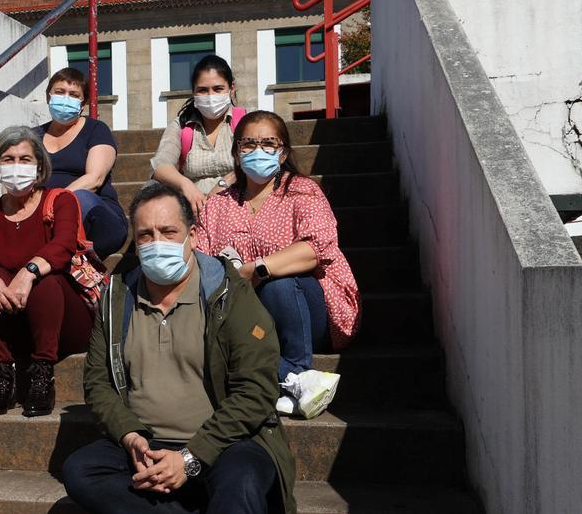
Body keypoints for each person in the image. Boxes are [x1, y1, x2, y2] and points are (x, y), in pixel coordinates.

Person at [63, 183, 297, 514]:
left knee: (242, 482)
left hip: (223, 442)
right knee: (81, 471)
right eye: (145, 235)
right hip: (145, 445)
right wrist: (129, 434)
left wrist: (190, 457)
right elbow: (97, 382)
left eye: (169, 231)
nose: (157, 242)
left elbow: (256, 389)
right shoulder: (117, 297)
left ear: (194, 235)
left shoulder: (230, 293)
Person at [194, 111, 360, 415]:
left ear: (283, 152)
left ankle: (295, 367)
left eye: (269, 143)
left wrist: (258, 268)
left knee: (278, 283)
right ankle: (295, 381)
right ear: (236, 152)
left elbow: (316, 249)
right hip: (245, 316)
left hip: (307, 308)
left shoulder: (302, 191)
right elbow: (200, 260)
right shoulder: (218, 204)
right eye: (248, 144)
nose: (258, 150)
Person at [0, 126, 94, 418]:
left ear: (39, 165)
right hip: (15, 323)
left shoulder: (60, 201)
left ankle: (41, 376)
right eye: (8, 159)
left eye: (25, 159)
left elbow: (62, 246)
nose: (16, 166)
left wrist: (29, 271)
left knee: (47, 280)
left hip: (64, 322)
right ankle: (1, 375)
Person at [35, 68, 128, 258]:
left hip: (96, 219)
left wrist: (54, 202)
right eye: (60, 92)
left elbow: (94, 179)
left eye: (73, 95)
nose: (65, 98)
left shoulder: (96, 130)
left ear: (83, 103)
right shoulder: (32, 136)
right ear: (48, 96)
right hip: (43, 221)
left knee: (81, 197)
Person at [149, 55, 248, 216]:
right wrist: (186, 185)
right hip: (194, 209)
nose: (210, 96)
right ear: (193, 92)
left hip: (238, 204)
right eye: (202, 90)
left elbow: (255, 162)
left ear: (232, 88)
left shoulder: (245, 122)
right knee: (149, 189)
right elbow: (160, 166)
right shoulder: (181, 125)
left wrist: (223, 184)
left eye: (218, 89)